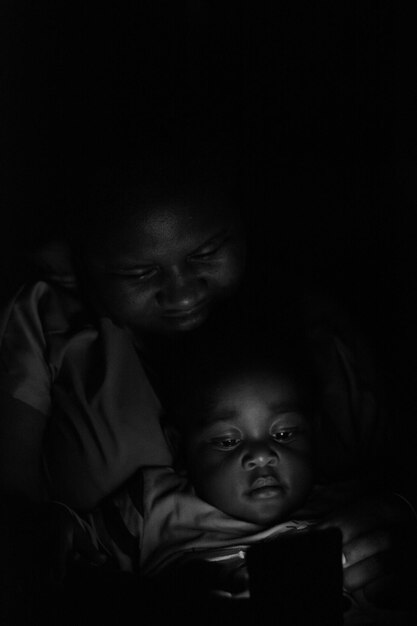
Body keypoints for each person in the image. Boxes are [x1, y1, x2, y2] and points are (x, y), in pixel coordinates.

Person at [0, 146, 415, 623]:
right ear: (82, 264)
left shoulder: (308, 325)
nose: (182, 292)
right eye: (138, 272)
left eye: (206, 252)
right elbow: (27, 538)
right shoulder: (48, 323)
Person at [46, 331, 412, 625]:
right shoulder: (153, 505)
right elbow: (68, 555)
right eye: (226, 441)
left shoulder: (352, 499)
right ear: (181, 446)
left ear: (314, 434)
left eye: (284, 434)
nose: (261, 454)